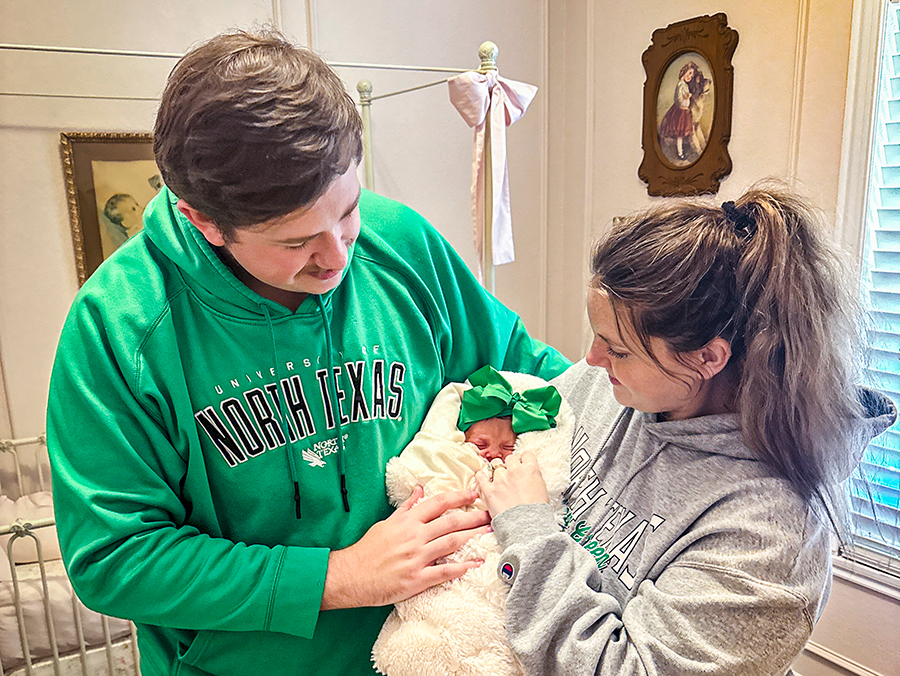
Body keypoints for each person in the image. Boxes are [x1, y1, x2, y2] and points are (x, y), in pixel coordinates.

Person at [46, 30, 569, 676]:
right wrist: (342, 577)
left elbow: (523, 363)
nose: (338, 256)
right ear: (204, 221)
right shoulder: (117, 329)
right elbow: (114, 558)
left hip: (428, 653)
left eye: (347, 211)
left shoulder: (399, 240)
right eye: (294, 243)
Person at [476, 183, 897, 675]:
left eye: (618, 348)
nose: (591, 359)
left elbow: (621, 668)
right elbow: (542, 416)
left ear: (708, 357)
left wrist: (527, 527)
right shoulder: (619, 384)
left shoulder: (770, 538)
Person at [372, 366, 573, 676]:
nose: (493, 455)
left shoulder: (524, 476)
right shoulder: (449, 461)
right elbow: (426, 461)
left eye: (508, 448)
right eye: (481, 445)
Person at [658, 62, 697, 162]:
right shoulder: (681, 84)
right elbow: (679, 97)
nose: (690, 77)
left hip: (684, 110)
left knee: (682, 134)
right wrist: (686, 96)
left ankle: (682, 149)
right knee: (680, 134)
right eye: (689, 73)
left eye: (692, 75)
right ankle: (680, 153)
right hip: (680, 112)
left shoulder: (684, 84)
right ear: (684, 72)